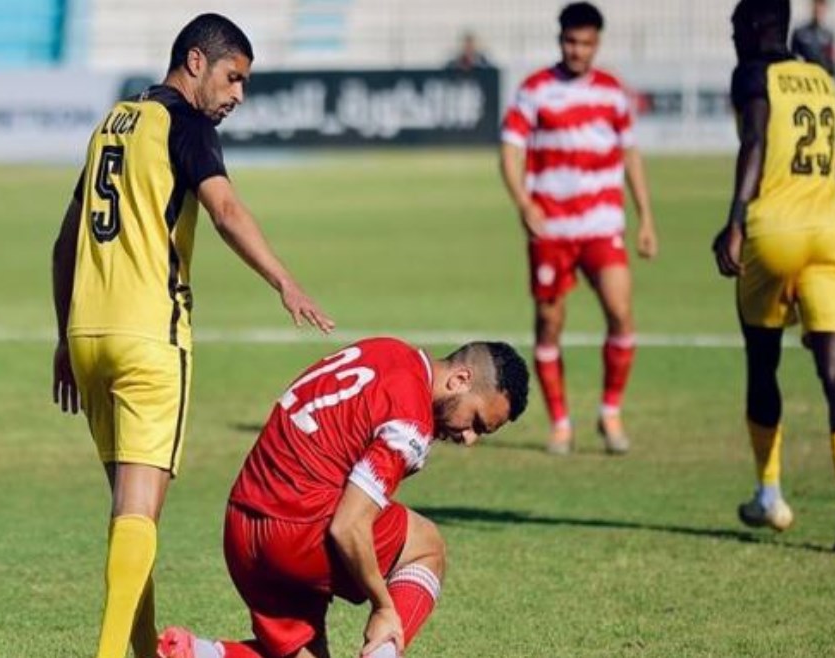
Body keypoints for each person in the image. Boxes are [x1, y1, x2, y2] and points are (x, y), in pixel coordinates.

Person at [50, 13, 335, 658]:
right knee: (138, 515)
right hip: (151, 337)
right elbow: (226, 207)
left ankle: (144, 650)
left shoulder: (113, 123)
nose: (238, 95)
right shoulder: (188, 124)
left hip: (90, 335)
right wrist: (284, 281)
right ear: (196, 62)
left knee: (130, 516)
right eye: (234, 77)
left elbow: (64, 243)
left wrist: (65, 338)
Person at [155, 337, 530, 658]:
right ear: (461, 379)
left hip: (242, 527)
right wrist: (384, 607)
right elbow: (348, 526)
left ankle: (197, 651)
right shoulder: (410, 421)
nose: (469, 438)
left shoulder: (386, 350)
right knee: (426, 544)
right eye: (477, 422)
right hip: (298, 528)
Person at [499, 2, 658, 456]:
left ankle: (610, 411)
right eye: (571, 41)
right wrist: (523, 201)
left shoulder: (612, 92)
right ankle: (561, 424)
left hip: (602, 224)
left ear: (597, 44)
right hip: (551, 227)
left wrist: (646, 216)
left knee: (620, 311)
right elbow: (509, 151)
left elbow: (630, 154)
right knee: (549, 322)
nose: (578, 50)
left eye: (586, 43)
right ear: (560, 39)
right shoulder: (535, 90)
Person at [712, 0, 835, 542]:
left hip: (774, 232)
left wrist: (734, 220)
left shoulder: (754, 72)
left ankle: (770, 493)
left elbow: (756, 140)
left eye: (738, 26)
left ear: (761, 27)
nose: (734, 36)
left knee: (763, 364)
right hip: (829, 232)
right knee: (833, 374)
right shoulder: (823, 79)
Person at [791, 0, 835, 75]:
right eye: (816, 6)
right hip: (804, 75)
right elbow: (793, 58)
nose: (818, 10)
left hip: (821, 77)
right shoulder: (800, 32)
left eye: (821, 7)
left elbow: (830, 62)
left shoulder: (828, 35)